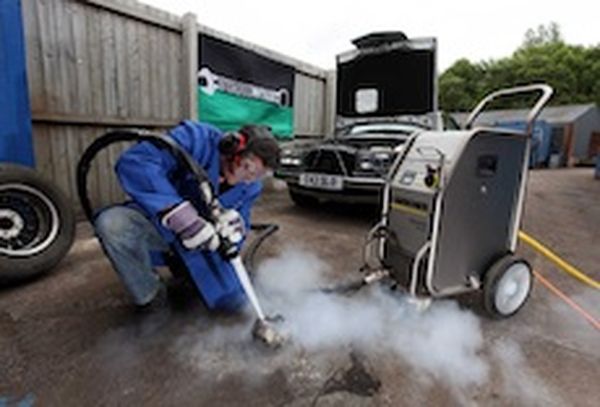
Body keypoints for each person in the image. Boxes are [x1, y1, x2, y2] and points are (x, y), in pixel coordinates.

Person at [94, 120, 280, 311]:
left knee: (232, 301)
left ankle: (187, 271)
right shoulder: (196, 139)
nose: (249, 179)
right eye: (248, 167)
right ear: (233, 148)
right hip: (159, 226)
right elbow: (136, 162)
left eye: (259, 176)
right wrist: (178, 213)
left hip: (201, 243)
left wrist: (235, 233)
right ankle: (150, 296)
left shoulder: (251, 187)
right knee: (112, 225)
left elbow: (240, 226)